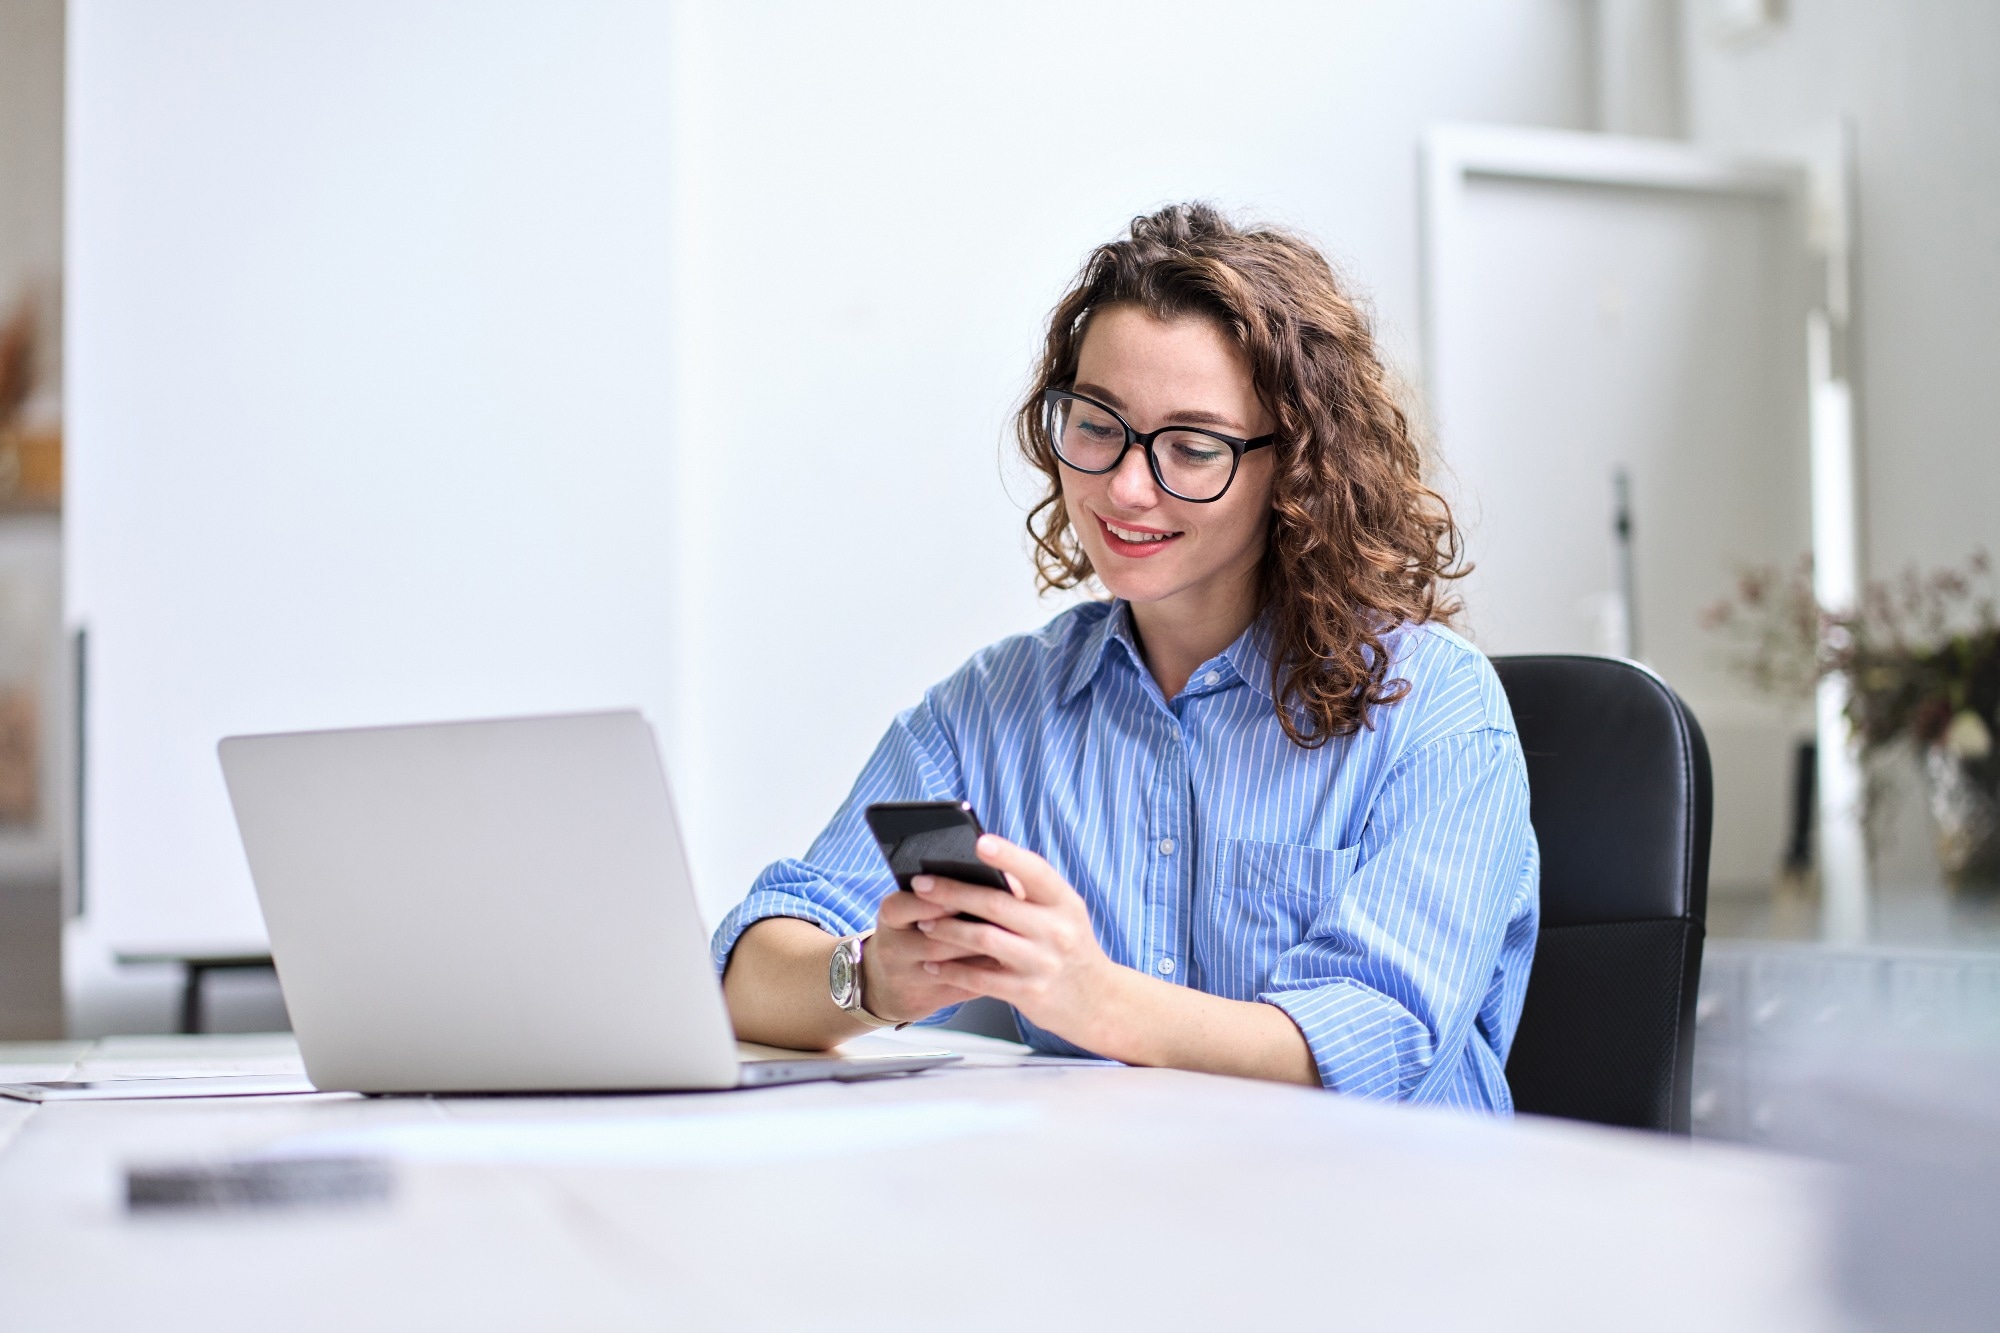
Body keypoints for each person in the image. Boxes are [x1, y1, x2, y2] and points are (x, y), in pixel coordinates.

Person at [713, 203, 1539, 1110]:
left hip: (1380, 1195)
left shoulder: (1436, 708)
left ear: (1298, 467)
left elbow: (1377, 1044)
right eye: (1098, 424)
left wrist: (1091, 997)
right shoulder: (992, 708)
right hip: (1111, 1189)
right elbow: (749, 968)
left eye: (1193, 447)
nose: (1125, 486)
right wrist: (872, 978)